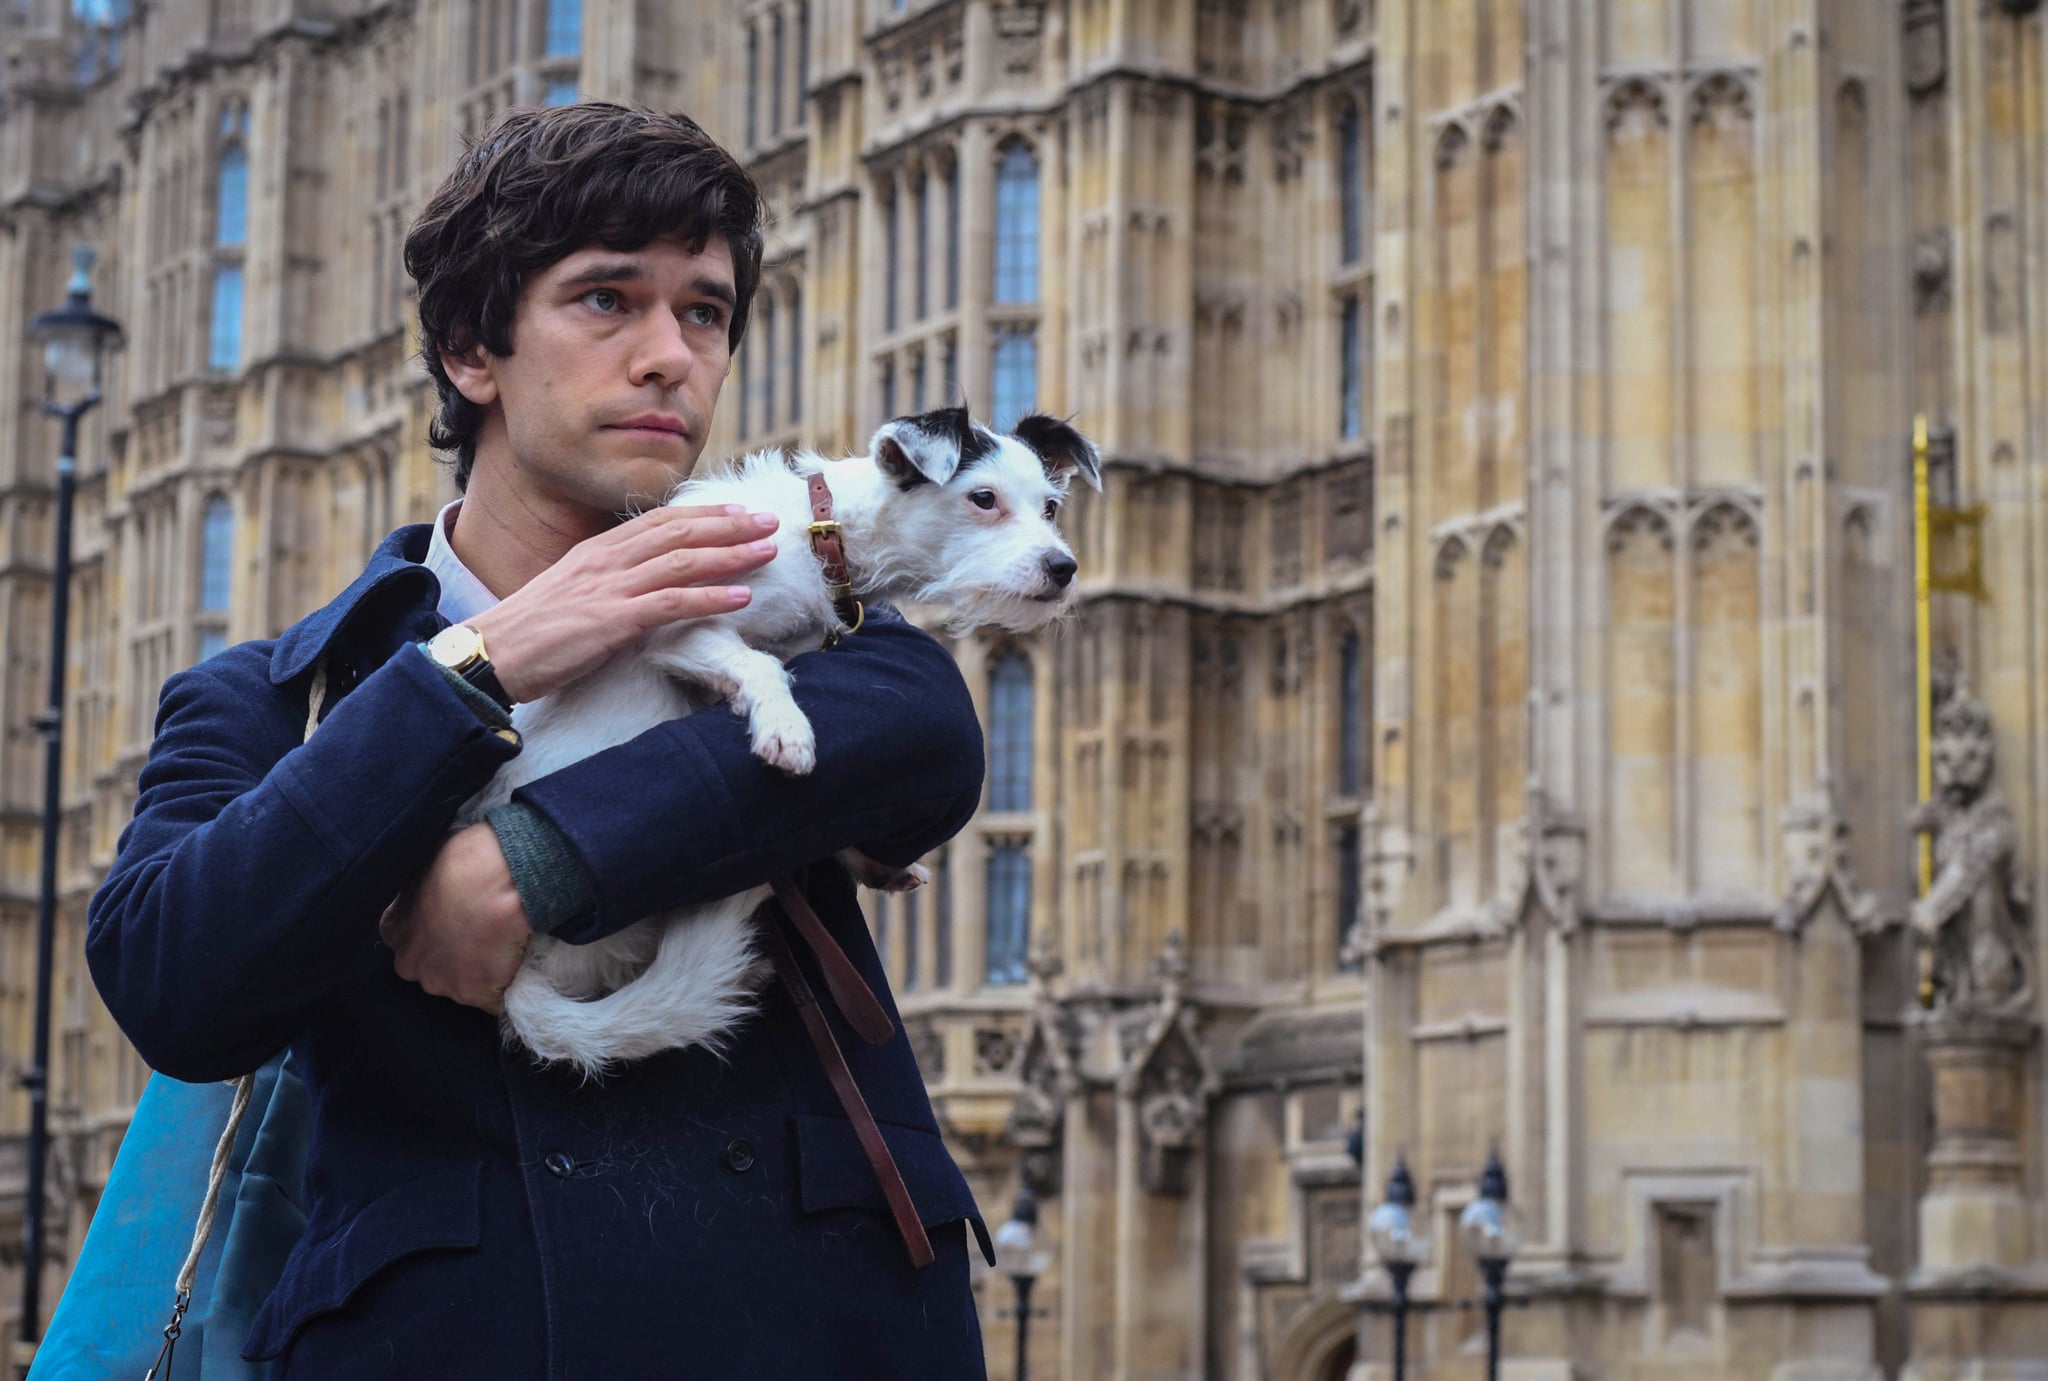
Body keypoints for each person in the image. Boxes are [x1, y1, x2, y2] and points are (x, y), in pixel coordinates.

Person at [86, 102, 993, 1377]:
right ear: (472, 350)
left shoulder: (794, 602)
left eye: (706, 311)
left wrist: (533, 854)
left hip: (803, 1323)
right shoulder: (276, 694)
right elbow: (175, 977)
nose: (671, 355)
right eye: (607, 301)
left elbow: (926, 738)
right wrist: (481, 667)